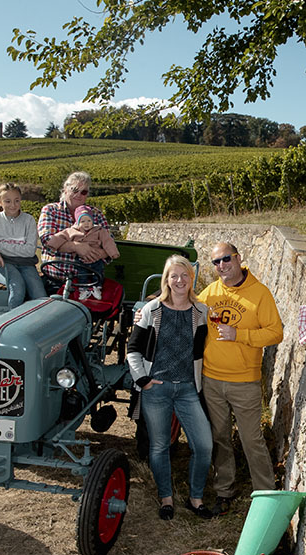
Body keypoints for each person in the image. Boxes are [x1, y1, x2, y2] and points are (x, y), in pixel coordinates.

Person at [126, 255, 214, 520]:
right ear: (166, 279)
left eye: (184, 275)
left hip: (188, 389)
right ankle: (166, 498)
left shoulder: (201, 312)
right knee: (159, 446)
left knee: (204, 445)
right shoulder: (152, 310)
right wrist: (143, 379)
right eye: (174, 275)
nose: (179, 280)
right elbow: (133, 348)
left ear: (191, 279)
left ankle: (196, 498)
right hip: (157, 389)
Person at [200, 242, 285, 515]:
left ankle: (266, 496)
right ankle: (224, 491)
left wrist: (240, 335)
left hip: (244, 381)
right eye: (216, 262)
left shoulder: (260, 293)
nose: (221, 265)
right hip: (211, 379)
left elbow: (276, 332)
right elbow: (183, 306)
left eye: (226, 259)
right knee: (220, 438)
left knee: (252, 439)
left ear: (238, 258)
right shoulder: (210, 293)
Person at [0, 183, 45, 308]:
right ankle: (13, 318)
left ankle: (37, 318)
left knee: (40, 294)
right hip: (3, 264)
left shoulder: (29, 220)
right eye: (8, 201)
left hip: (26, 264)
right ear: (0, 202)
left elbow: (29, 251)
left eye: (17, 200)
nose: (13, 205)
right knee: (18, 288)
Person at [38, 171, 113, 284]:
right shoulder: (51, 210)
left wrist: (94, 253)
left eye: (83, 192)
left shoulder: (96, 214)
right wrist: (76, 247)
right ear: (65, 189)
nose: (78, 195)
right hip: (55, 280)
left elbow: (109, 243)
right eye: (75, 190)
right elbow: (47, 241)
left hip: (89, 282)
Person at [45, 205, 120, 299]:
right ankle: (83, 290)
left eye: (89, 221)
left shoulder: (99, 230)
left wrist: (112, 253)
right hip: (79, 260)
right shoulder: (72, 231)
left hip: (96, 259)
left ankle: (97, 288)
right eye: (83, 221)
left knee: (98, 273)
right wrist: (52, 244)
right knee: (82, 274)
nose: (86, 224)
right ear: (77, 222)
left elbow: (108, 241)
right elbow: (60, 236)